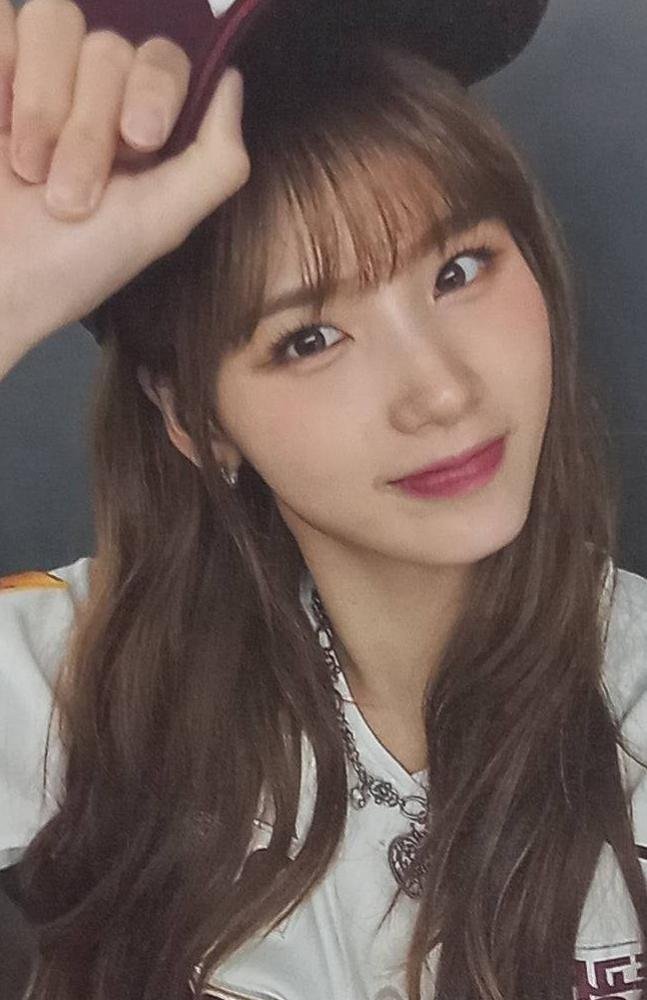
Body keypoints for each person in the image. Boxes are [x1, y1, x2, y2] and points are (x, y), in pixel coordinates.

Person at [1, 1, 647, 999]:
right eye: (308, 338)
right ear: (194, 418)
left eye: (457, 269)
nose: (440, 392)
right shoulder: (84, 679)